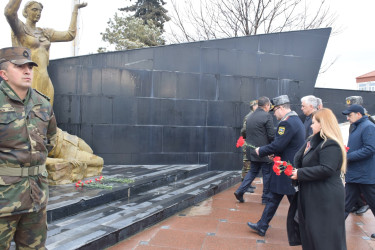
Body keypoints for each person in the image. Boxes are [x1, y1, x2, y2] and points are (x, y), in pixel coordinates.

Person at [0, 47, 57, 249]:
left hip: (36, 196)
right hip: (4, 199)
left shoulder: (42, 103)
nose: (27, 71)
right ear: (3, 73)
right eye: (19, 66)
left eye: (30, 67)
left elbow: (50, 140)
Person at [5, 0, 87, 105]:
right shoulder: (21, 30)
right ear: (26, 12)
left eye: (40, 11)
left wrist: (75, 10)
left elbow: (69, 35)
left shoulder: (45, 33)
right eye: (34, 10)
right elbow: (9, 13)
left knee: (46, 116)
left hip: (45, 79)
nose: (38, 13)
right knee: (30, 114)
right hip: (29, 78)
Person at [288, 108, 347, 249]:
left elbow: (327, 169)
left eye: (314, 123)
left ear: (323, 124)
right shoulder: (312, 141)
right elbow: (300, 159)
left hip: (325, 197)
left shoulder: (330, 144)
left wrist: (300, 173)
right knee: (311, 233)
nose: (311, 125)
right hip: (313, 194)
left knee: (323, 236)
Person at [247, 95, 305, 236]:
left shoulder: (287, 123)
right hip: (288, 166)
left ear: (281, 108)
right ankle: (262, 225)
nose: (273, 113)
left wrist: (261, 150)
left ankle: (307, 229)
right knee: (275, 196)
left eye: (275, 110)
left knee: (294, 201)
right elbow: (288, 145)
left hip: (286, 168)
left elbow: (278, 144)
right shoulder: (296, 120)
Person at [342, 104, 375, 239]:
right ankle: (333, 230)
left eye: (350, 115)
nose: (348, 118)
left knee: (373, 203)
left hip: (365, 175)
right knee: (345, 204)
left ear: (359, 114)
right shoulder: (358, 126)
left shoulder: (368, 127)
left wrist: (347, 156)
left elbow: (369, 148)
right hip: (356, 174)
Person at [234, 97, 274, 204]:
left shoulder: (250, 116)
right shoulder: (267, 116)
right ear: (266, 106)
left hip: (251, 150)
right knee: (267, 173)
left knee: (252, 171)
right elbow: (271, 135)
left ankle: (240, 191)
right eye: (269, 106)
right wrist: (273, 148)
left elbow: (244, 132)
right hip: (264, 150)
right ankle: (265, 198)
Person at [239, 100, 258, 192]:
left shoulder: (252, 115)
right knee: (247, 165)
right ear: (253, 106)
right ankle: (245, 186)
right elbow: (244, 130)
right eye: (257, 105)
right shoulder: (250, 116)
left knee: (248, 165)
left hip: (250, 143)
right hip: (248, 143)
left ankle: (247, 184)